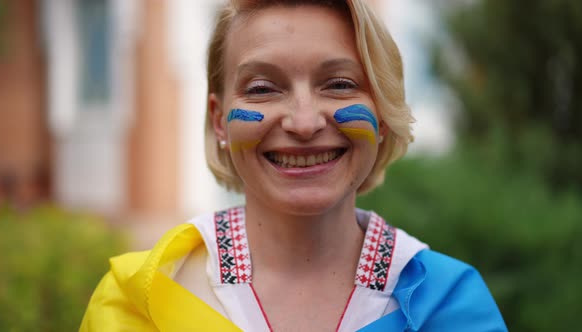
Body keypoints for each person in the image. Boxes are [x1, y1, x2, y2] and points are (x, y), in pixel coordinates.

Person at [80, 0, 507, 331]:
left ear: (381, 114)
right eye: (263, 88)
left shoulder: (450, 307)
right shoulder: (137, 305)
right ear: (218, 120)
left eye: (339, 85)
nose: (303, 123)